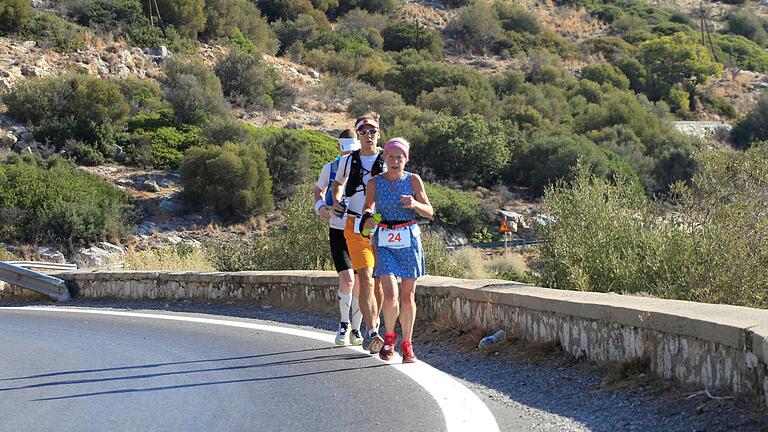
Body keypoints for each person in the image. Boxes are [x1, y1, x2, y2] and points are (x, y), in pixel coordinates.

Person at [361, 138, 433, 363]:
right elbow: (368, 206)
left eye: (399, 157)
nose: (394, 161)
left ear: (406, 159)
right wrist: (368, 217)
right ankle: (390, 339)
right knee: (390, 294)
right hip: (384, 241)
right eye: (390, 157)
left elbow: (429, 211)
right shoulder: (375, 183)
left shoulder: (413, 181)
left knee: (407, 296)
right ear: (384, 159)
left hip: (408, 240)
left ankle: (408, 344)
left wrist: (414, 204)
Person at [331, 114, 386, 354]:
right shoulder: (348, 161)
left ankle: (375, 323)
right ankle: (372, 330)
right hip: (354, 224)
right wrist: (335, 200)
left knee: (380, 284)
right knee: (365, 277)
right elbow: (337, 184)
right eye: (363, 132)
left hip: (382, 226)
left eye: (372, 131)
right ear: (357, 135)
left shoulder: (388, 158)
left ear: (378, 134)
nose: (368, 136)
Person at [314, 129, 363, 346]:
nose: (348, 156)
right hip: (337, 230)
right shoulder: (330, 168)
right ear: (339, 148)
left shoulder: (366, 167)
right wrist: (320, 207)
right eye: (345, 151)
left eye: (352, 152)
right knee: (348, 279)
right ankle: (344, 324)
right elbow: (319, 190)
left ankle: (358, 329)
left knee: (362, 281)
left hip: (360, 230)